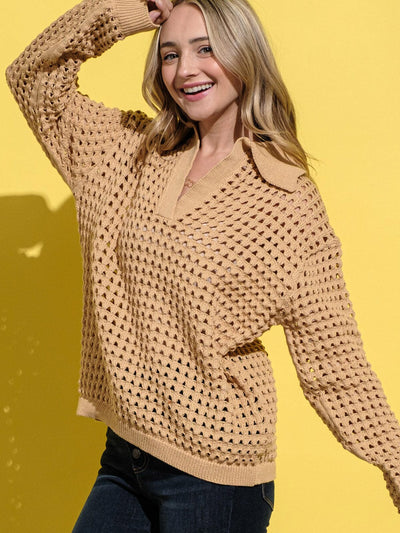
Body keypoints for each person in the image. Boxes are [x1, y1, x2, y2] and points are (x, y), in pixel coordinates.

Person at [5, 0, 400, 531]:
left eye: (206, 49)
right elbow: (33, 77)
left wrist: (395, 461)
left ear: (244, 53)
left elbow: (335, 363)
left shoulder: (285, 200)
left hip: (216, 476)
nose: (185, 70)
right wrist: (133, 9)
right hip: (125, 454)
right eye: (170, 54)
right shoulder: (129, 151)